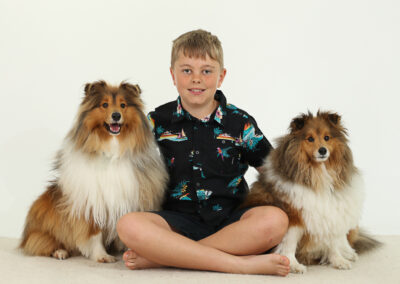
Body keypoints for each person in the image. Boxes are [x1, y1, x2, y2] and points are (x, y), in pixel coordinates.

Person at [117, 29, 290, 276]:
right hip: (176, 222)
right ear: (172, 75)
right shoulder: (156, 121)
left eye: (207, 71)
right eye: (187, 70)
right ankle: (240, 264)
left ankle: (169, 257)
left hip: (234, 223)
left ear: (221, 76)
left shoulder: (240, 123)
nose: (196, 79)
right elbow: (125, 162)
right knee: (129, 225)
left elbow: (275, 173)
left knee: (275, 220)